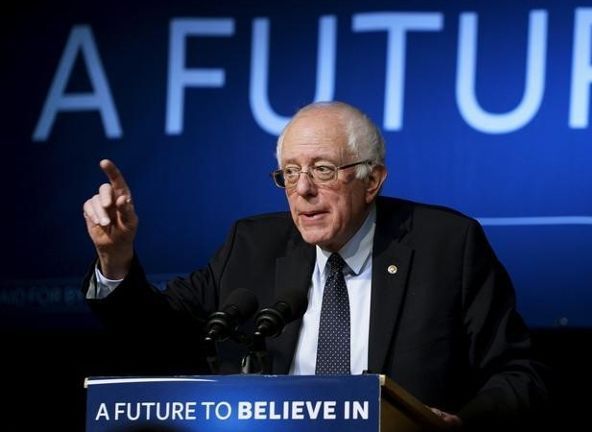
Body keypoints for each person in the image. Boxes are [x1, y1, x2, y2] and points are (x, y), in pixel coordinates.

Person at [82, 101, 547, 429]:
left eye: (322, 170)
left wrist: (458, 424)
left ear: (372, 180)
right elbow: (157, 335)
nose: (302, 190)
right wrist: (115, 257)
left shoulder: (447, 245)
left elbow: (518, 374)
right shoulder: (251, 245)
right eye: (290, 173)